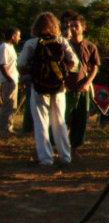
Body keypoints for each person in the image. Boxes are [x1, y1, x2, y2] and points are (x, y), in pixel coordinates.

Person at [17, 12, 78, 167]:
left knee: (41, 122)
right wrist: (62, 74)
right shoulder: (62, 41)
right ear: (55, 25)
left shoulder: (31, 43)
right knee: (60, 121)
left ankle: (46, 159)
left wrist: (32, 74)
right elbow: (74, 62)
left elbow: (21, 64)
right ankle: (65, 157)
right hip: (59, 87)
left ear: (36, 27)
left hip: (38, 87)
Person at [61, 13, 100, 150]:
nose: (72, 28)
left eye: (76, 26)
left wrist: (87, 83)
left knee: (81, 119)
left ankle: (74, 147)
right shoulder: (64, 45)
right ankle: (60, 146)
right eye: (70, 26)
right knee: (63, 118)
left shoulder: (90, 46)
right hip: (66, 88)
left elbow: (95, 67)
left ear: (83, 27)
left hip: (83, 87)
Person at [0, 27, 21, 137]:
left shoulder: (11, 47)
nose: (19, 38)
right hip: (8, 81)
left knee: (12, 105)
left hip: (13, 80)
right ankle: (5, 129)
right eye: (18, 35)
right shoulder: (4, 47)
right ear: (13, 36)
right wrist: (10, 80)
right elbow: (2, 65)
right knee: (8, 105)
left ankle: (8, 127)